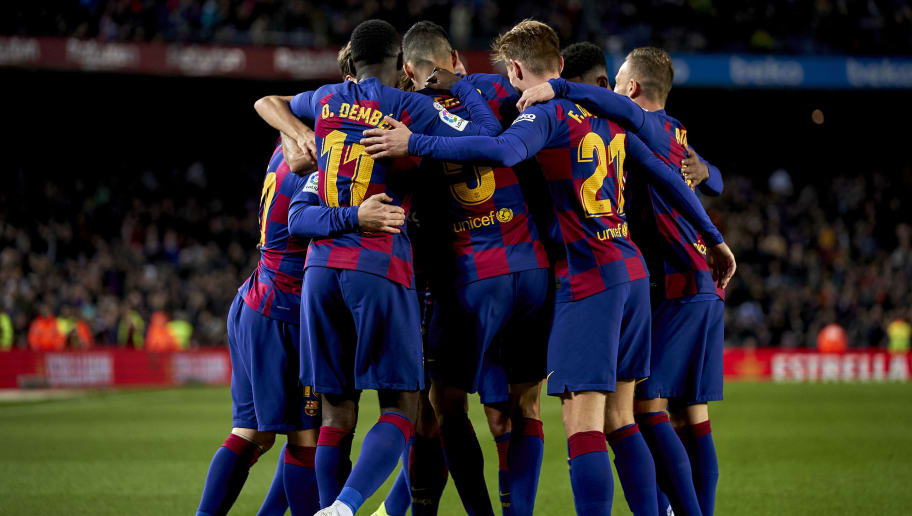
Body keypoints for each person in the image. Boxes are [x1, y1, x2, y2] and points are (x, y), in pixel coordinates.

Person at [360, 19, 735, 516]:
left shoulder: (541, 115)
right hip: (627, 271)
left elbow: (501, 148)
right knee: (620, 419)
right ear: (559, 63)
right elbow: (667, 174)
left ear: (516, 70)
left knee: (579, 424)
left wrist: (415, 142)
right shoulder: (603, 112)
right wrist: (714, 238)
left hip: (578, 278)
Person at [254, 19, 502, 516]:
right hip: (378, 266)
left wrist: (300, 135)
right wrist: (461, 86)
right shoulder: (410, 107)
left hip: (320, 271)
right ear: (402, 65)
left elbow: (268, 102)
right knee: (402, 405)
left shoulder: (326, 100)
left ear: (353, 60)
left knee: (336, 414)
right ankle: (345, 507)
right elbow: (487, 137)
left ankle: (330, 506)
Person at [521, 42, 727, 516]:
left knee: (643, 411)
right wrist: (708, 172)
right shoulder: (673, 129)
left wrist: (558, 88)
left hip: (670, 283)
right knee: (687, 415)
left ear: (630, 89)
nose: (609, 92)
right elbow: (709, 179)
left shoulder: (636, 124)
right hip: (697, 282)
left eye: (615, 86)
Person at [377, 21, 552, 516]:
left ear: (407, 69)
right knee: (523, 408)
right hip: (531, 268)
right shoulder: (497, 88)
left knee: (445, 405)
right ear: (455, 57)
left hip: (468, 280)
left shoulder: (405, 114)